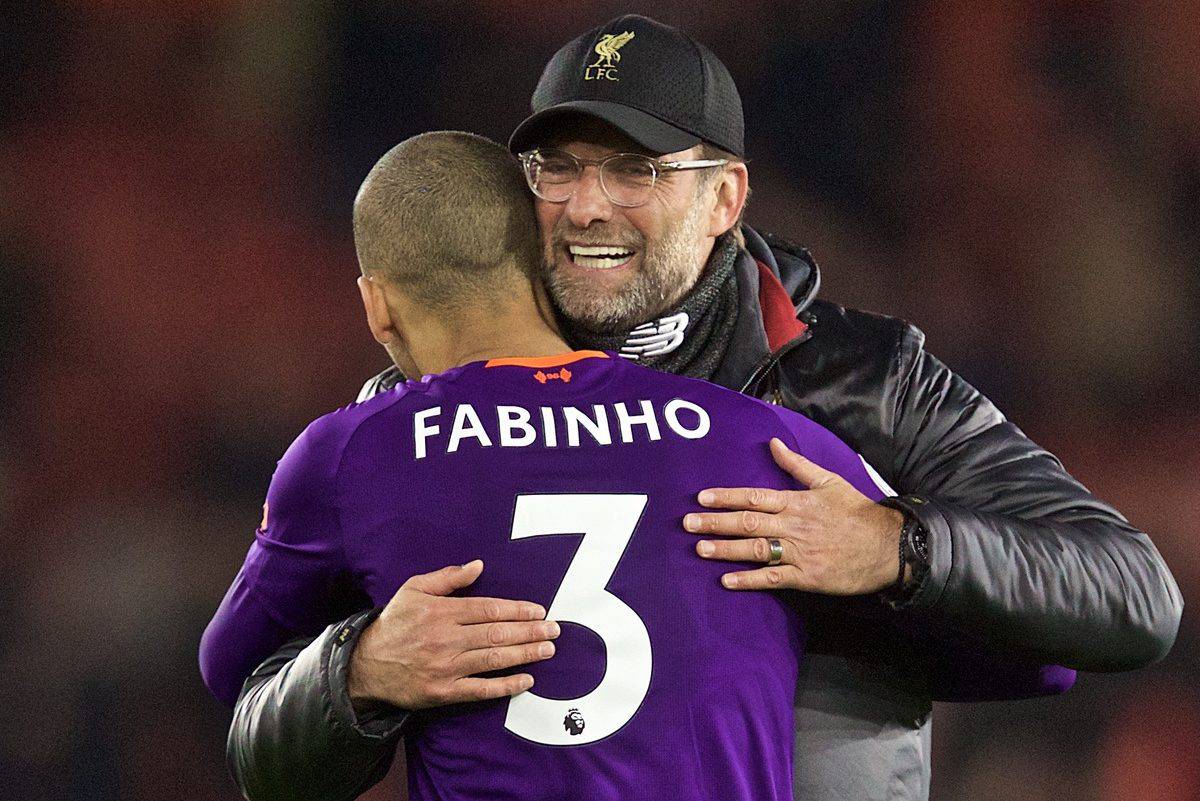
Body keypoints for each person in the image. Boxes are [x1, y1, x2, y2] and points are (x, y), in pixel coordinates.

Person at [224, 15, 1183, 801]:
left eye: (636, 171)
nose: (586, 207)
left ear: (725, 197)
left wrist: (895, 548)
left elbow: (1134, 596)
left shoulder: (854, 380)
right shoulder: (427, 410)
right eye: (557, 168)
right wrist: (354, 673)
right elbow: (256, 741)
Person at [200, 130, 898, 800]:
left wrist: (362, 663)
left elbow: (228, 667)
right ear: (541, 260)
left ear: (377, 306)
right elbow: (926, 589)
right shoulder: (756, 436)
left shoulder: (355, 453)